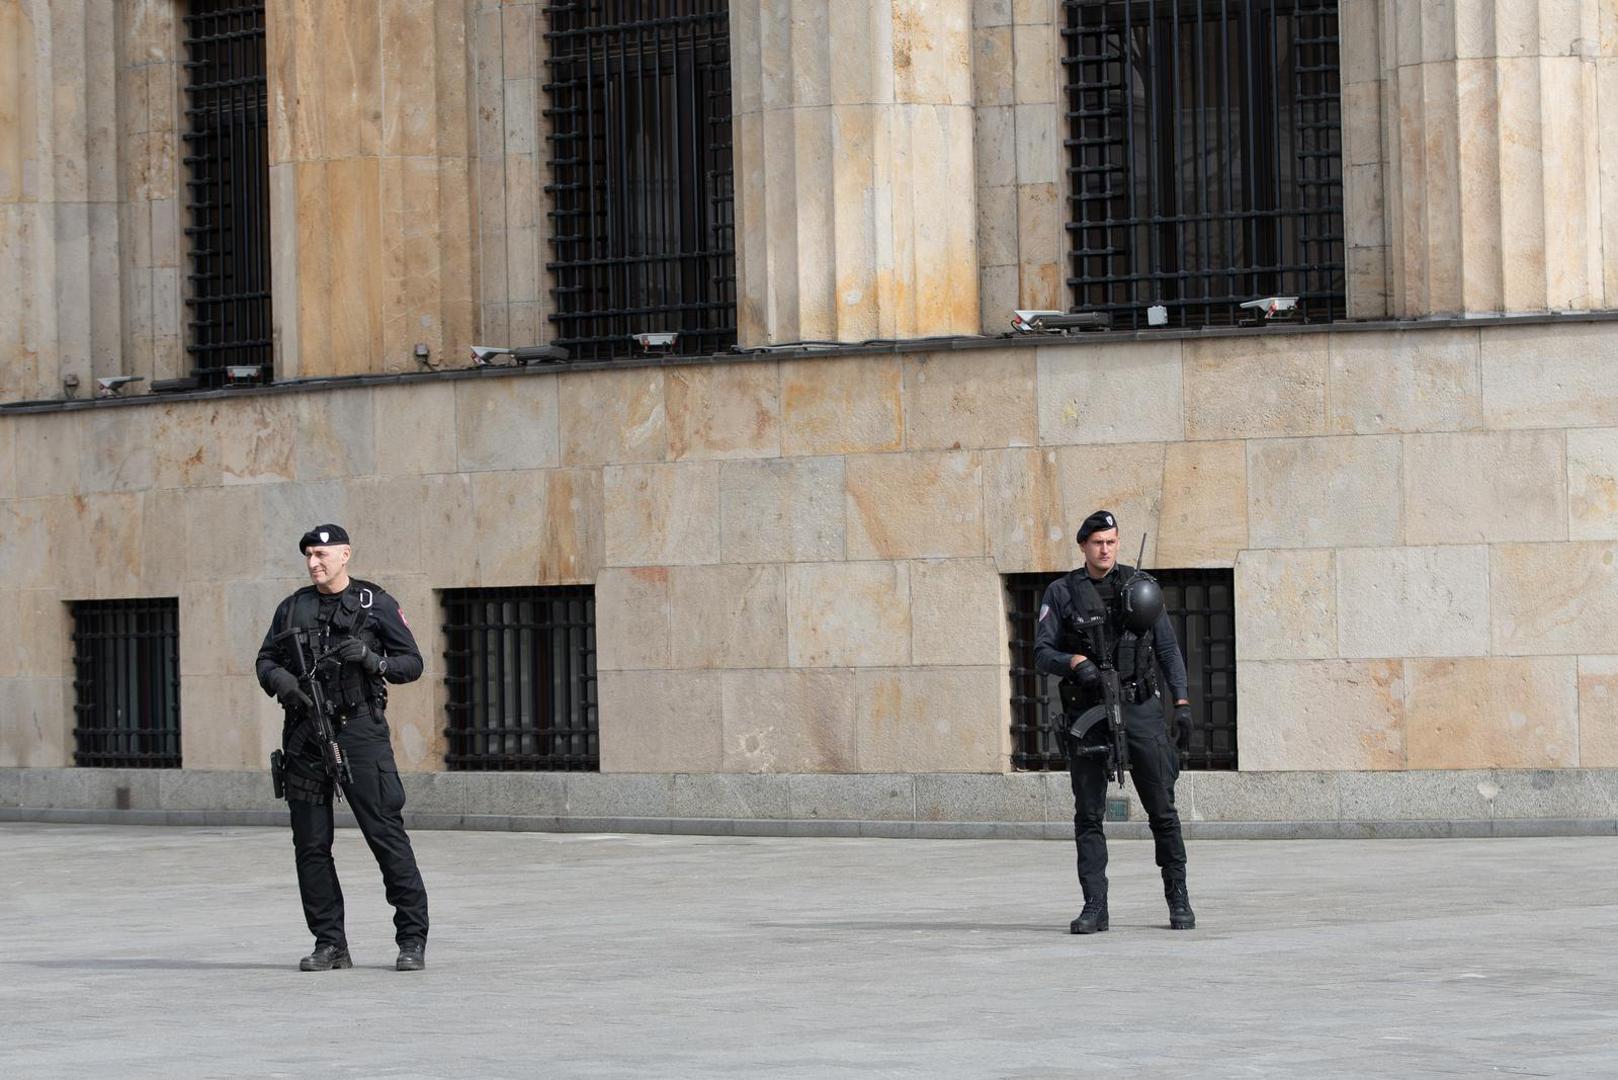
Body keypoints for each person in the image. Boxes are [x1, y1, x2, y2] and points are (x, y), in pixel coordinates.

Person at [255, 523, 430, 971]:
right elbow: (265, 660)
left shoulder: (375, 604)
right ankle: (330, 944)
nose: (314, 563)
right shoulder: (292, 607)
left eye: (322, 555)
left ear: (345, 554)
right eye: (309, 556)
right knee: (311, 845)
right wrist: (284, 684)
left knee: (385, 835)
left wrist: (374, 661)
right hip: (305, 734)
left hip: (359, 733)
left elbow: (412, 664)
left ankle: (411, 940)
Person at [1034, 509, 1196, 934]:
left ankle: (1178, 898)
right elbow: (1040, 652)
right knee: (1088, 814)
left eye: (1111, 541)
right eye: (1096, 543)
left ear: (1118, 543)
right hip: (1088, 713)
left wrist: (1181, 703)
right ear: (1083, 546)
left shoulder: (1140, 588)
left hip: (1140, 709)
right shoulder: (1062, 592)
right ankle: (1095, 906)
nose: (1104, 549)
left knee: (1163, 810)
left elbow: (1167, 650)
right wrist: (1073, 661)